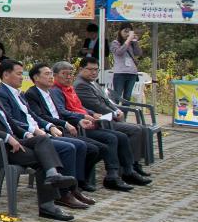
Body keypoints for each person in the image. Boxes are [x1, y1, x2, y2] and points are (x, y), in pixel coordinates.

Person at [0, 64, 78, 221]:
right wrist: (7, 137)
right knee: (42, 159)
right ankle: (48, 205)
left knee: (42, 139)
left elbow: (10, 123)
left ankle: (53, 175)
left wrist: (26, 134)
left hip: (12, 143)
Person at [0, 59, 95, 208]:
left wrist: (49, 126)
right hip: (27, 138)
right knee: (69, 147)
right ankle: (63, 194)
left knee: (80, 145)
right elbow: (12, 121)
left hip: (40, 134)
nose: (22, 77)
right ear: (5, 75)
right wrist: (34, 131)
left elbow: (33, 116)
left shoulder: (18, 93)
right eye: (18, 74)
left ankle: (73, 188)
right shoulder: (2, 94)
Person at [32, 62, 138, 191]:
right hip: (63, 129)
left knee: (112, 141)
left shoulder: (63, 90)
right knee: (106, 140)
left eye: (71, 74)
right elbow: (51, 114)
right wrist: (79, 119)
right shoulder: (52, 91)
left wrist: (91, 114)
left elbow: (79, 108)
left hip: (78, 125)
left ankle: (125, 171)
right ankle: (79, 184)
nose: (68, 77)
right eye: (64, 74)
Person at [72, 58, 152, 175]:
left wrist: (117, 110)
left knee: (143, 129)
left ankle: (134, 164)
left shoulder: (93, 82)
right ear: (81, 69)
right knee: (135, 130)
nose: (94, 72)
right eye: (90, 69)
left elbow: (108, 101)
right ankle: (129, 167)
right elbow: (96, 106)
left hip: (108, 118)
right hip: (100, 121)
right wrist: (114, 114)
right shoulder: (80, 85)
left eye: (96, 70)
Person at [109, 25, 143, 103]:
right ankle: (116, 114)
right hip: (120, 73)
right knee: (117, 96)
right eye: (125, 31)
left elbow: (138, 53)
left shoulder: (131, 44)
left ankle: (125, 115)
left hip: (132, 73)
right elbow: (119, 52)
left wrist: (135, 42)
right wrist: (128, 40)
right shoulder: (115, 43)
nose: (127, 33)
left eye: (129, 32)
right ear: (120, 31)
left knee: (127, 97)